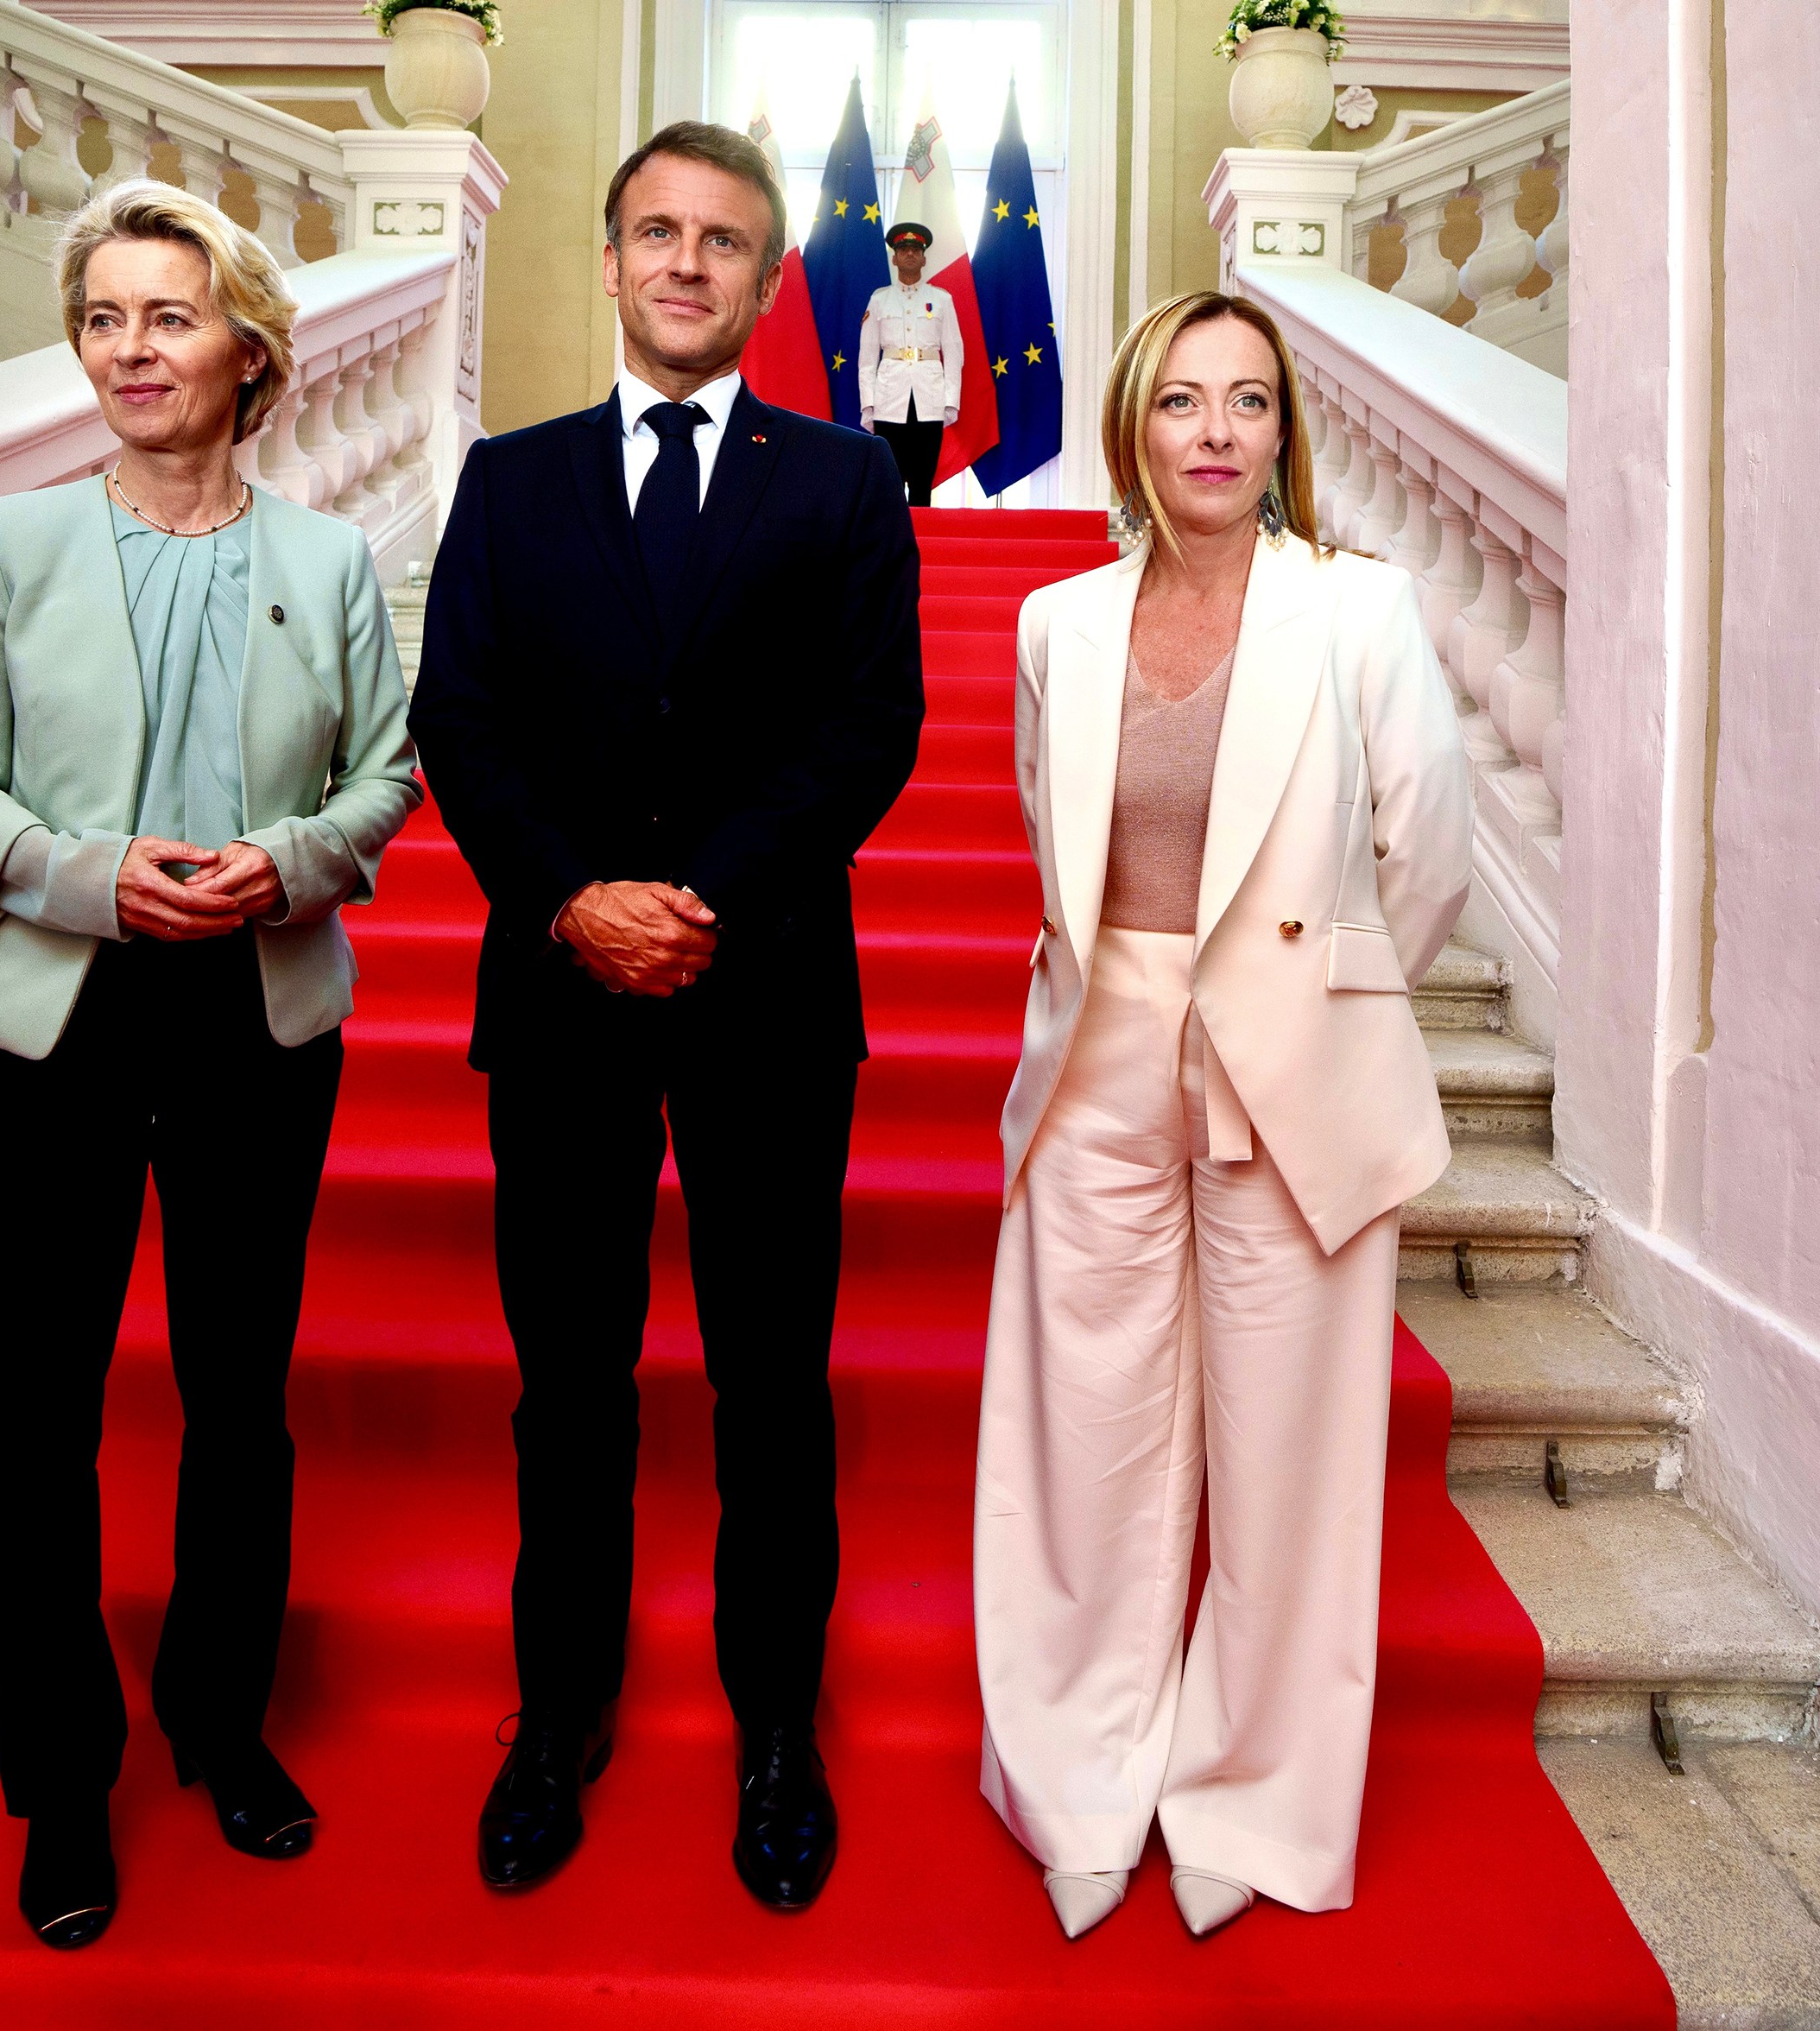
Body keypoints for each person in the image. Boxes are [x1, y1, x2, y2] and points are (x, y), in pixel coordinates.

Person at [0, 179, 420, 1951]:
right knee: (41, 1418)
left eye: (167, 316)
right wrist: (84, 873)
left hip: (255, 1016)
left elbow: (387, 779)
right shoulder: (16, 551)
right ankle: (62, 1789)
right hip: (52, 1013)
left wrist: (299, 862)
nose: (130, 348)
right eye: (105, 317)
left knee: (237, 1395)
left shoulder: (329, 561)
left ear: (248, 348)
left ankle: (221, 1723)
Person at [408, 121, 923, 1911]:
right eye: (657, 233)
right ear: (611, 261)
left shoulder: (846, 482)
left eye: (724, 241)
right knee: (572, 1385)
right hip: (558, 1001)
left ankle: (777, 1736)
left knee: (772, 1388)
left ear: (772, 281)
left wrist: (703, 900)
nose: (688, 263)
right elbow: (458, 718)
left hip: (766, 993)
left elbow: (869, 729)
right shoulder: (508, 477)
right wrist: (571, 898)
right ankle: (557, 1728)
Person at [971, 291, 1470, 1942]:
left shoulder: (1363, 614)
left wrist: (1316, 997)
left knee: (1289, 1451)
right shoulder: (1058, 621)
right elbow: (1061, 843)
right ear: (1135, 421)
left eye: (1247, 403)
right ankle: (1078, 1776)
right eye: (1181, 400)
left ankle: (1251, 1797)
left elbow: (1429, 864)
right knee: (1086, 1430)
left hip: (1300, 1063)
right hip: (1104, 1043)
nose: (1213, 430)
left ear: (1280, 435)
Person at [856, 221, 964, 506]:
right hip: (890, 400)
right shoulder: (879, 300)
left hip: (928, 400)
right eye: (904, 249)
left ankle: (922, 545)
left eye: (915, 249)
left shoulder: (941, 300)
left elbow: (954, 354)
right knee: (889, 482)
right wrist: (869, 404)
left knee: (922, 482)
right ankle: (892, 546)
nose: (910, 254)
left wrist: (951, 401)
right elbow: (866, 360)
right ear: (894, 257)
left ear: (924, 257)